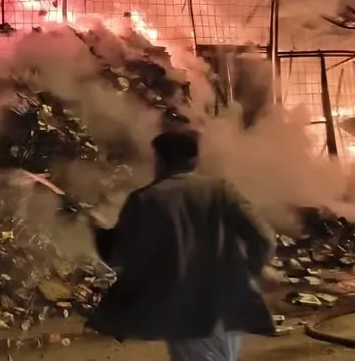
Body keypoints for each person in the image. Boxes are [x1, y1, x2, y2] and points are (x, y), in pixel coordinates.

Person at [85, 129, 276, 361]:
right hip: (228, 306)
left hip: (184, 310)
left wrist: (98, 230)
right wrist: (248, 273)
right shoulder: (222, 190)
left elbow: (118, 255)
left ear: (160, 160)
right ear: (194, 160)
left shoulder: (145, 199)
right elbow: (264, 239)